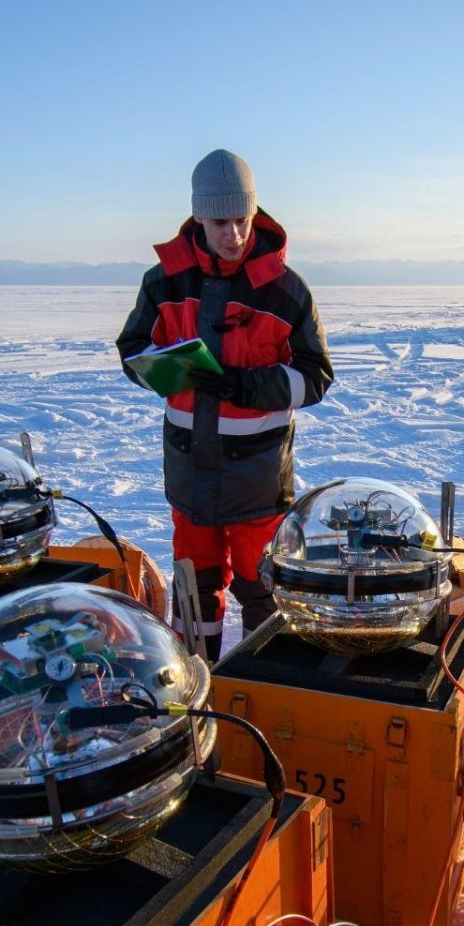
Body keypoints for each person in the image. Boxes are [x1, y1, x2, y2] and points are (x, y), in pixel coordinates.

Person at [116, 149, 333, 658]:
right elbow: (132, 350)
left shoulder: (286, 290)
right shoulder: (163, 281)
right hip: (190, 471)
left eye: (242, 220)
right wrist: (160, 369)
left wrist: (245, 385)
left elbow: (315, 376)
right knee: (195, 587)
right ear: (197, 216)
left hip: (257, 477)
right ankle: (196, 679)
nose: (233, 234)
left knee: (264, 587)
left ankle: (268, 681)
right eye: (220, 222)